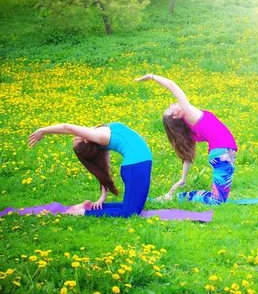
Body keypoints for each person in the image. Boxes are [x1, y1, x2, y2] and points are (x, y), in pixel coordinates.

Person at [135, 74, 237, 205]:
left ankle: (176, 197)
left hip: (222, 154)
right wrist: (151, 76)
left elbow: (187, 155)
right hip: (223, 155)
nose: (172, 103)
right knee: (217, 201)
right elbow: (172, 85)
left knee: (217, 199)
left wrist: (183, 179)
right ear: (176, 115)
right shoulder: (190, 115)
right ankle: (174, 198)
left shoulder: (190, 126)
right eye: (170, 108)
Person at [28, 122, 152, 217]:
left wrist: (103, 196)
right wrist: (43, 131)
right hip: (137, 167)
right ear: (86, 140)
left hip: (137, 166)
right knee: (129, 213)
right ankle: (82, 213)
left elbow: (104, 169)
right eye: (77, 138)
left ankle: (89, 208)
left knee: (131, 208)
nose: (76, 135)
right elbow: (67, 127)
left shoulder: (99, 136)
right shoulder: (98, 136)